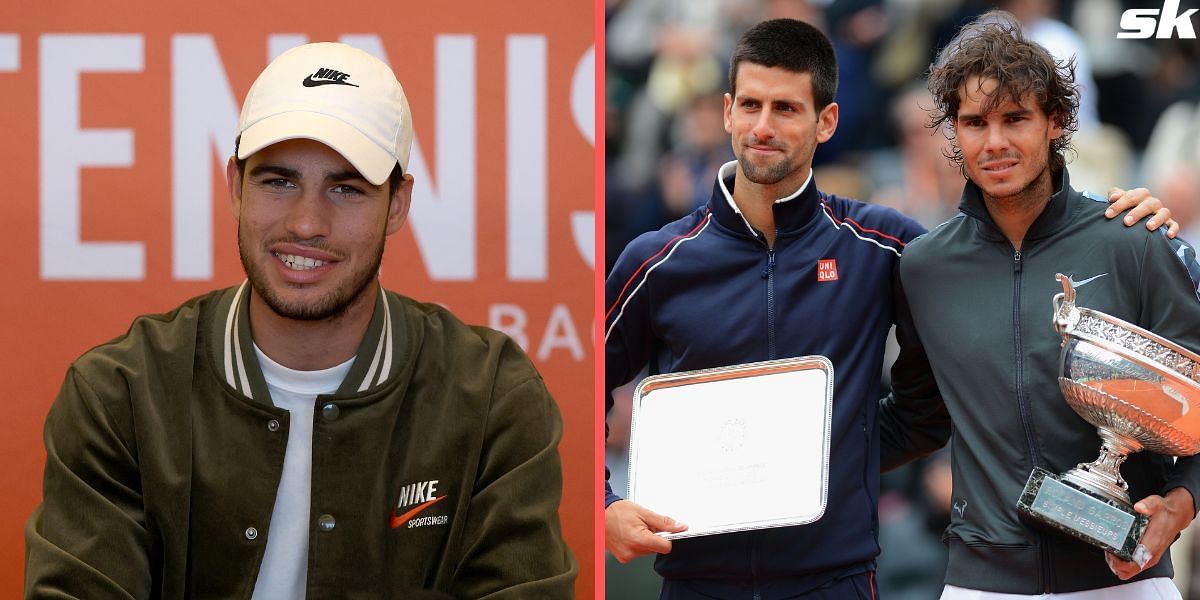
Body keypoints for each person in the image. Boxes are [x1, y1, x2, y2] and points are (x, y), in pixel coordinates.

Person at [604, 17, 1172, 599]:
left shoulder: (885, 247)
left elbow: (929, 401)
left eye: (787, 108)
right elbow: (577, 391)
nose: (763, 127)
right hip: (694, 580)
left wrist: (834, 467)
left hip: (838, 579)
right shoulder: (657, 261)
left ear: (827, 121)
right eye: (749, 105)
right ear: (726, 111)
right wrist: (603, 504)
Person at [25, 42, 577, 599]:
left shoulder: (490, 396)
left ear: (398, 204)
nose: (308, 223)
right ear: (236, 187)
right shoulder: (120, 393)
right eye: (278, 181)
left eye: (346, 188)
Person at [880, 11, 1200, 598]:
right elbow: (917, 417)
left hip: (1125, 578)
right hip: (983, 582)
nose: (995, 142)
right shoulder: (924, 268)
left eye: (1016, 118)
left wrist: (1182, 503)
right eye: (974, 122)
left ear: (1055, 122)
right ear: (953, 131)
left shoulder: (1134, 240)